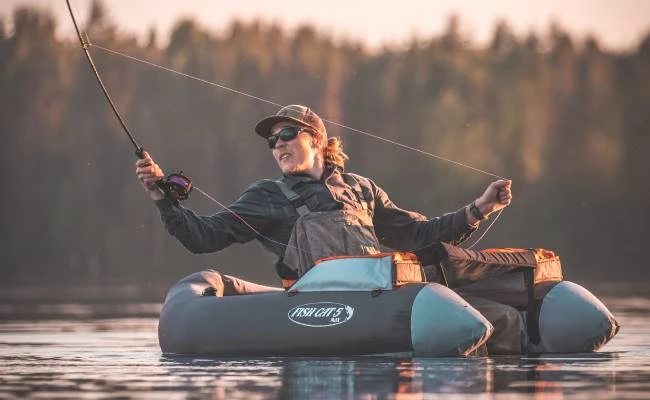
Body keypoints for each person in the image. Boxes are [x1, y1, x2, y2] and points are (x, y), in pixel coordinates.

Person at [135, 104, 523, 354]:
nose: (278, 146)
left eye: (287, 135)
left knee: (505, 321)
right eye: (272, 142)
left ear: (316, 139)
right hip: (323, 312)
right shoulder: (267, 195)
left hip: (385, 300)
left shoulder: (361, 188)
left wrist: (480, 208)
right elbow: (202, 237)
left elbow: (421, 234)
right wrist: (161, 197)